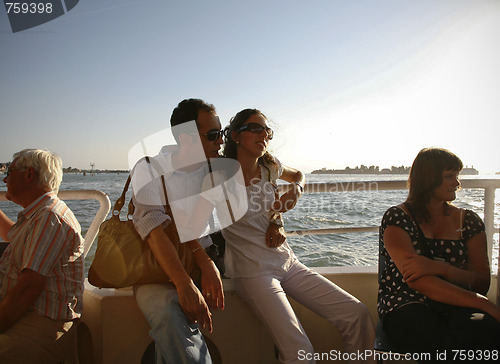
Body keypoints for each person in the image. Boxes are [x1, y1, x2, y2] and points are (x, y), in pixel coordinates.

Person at [195, 109, 376, 364]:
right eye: (256, 128)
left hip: (287, 262)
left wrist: (294, 193)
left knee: (356, 314)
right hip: (253, 271)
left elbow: (298, 176)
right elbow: (191, 226)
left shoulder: (270, 166)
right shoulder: (217, 178)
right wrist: (203, 265)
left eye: (267, 131)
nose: (265, 135)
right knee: (300, 353)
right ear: (235, 135)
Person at [378, 147, 500, 361]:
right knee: (439, 344)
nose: (457, 183)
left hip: (459, 303)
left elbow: (481, 282)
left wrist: (441, 268)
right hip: (406, 304)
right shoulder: (397, 218)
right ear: (428, 178)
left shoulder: (468, 221)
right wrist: (483, 303)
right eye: (449, 176)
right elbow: (419, 281)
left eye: (457, 176)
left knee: (487, 331)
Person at [130, 98, 225, 364]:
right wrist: (184, 283)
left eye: (222, 133)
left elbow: (193, 227)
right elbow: (154, 228)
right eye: (213, 135)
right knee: (169, 312)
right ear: (186, 139)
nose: (220, 141)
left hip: (199, 259)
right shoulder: (149, 168)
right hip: (154, 269)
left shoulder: (215, 170)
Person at [0, 149, 84, 363]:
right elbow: (16, 238)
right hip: (25, 314)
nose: (5, 178)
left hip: (40, 323)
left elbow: (27, 291)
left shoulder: (50, 218)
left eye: (9, 172)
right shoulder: (38, 215)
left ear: (29, 175)